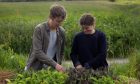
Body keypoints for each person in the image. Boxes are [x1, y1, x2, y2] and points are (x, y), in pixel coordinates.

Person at [24, 4, 66, 72]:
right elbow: (38, 52)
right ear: (51, 17)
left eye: (61, 21)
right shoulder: (39, 29)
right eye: (58, 21)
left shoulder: (62, 32)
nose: (60, 24)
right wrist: (55, 65)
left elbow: (61, 52)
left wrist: (58, 65)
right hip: (35, 68)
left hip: (50, 70)